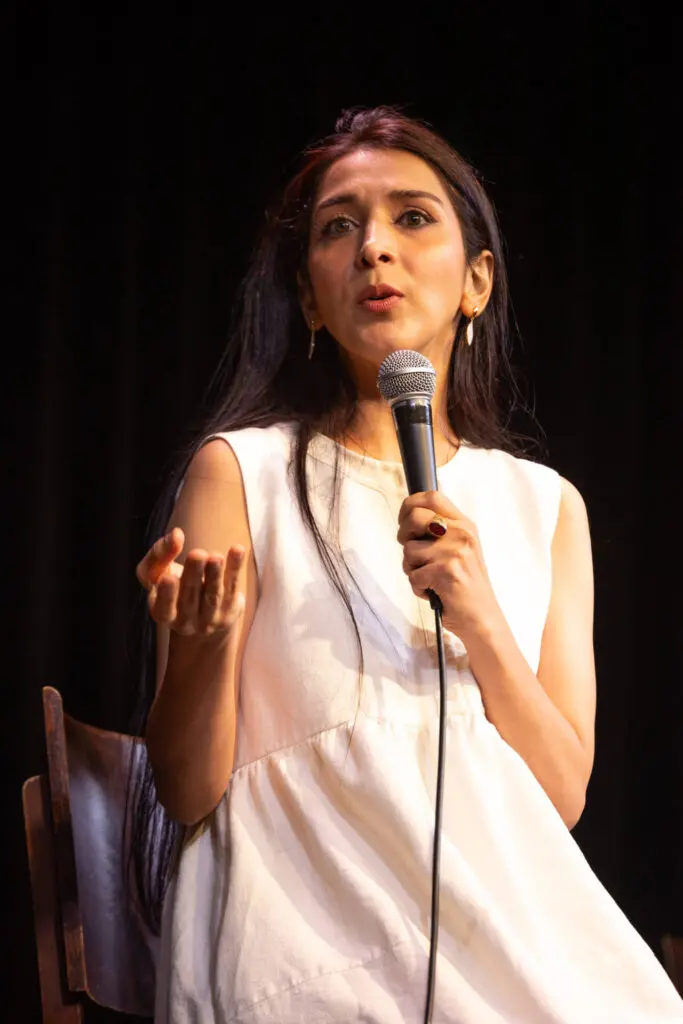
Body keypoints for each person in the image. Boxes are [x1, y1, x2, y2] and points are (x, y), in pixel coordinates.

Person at [132, 106, 683, 1022]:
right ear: (309, 297)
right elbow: (189, 793)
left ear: (476, 282)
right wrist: (197, 646)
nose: (373, 249)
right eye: (338, 227)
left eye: (411, 217)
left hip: (513, 940)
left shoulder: (543, 505)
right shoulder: (244, 472)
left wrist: (479, 618)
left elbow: (558, 797)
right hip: (309, 941)